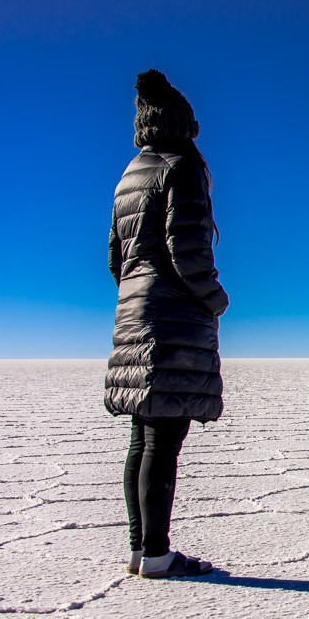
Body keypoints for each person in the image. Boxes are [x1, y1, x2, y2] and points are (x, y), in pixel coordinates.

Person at [105, 69, 229, 579]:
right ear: (181, 126)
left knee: (144, 433)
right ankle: (158, 555)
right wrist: (213, 299)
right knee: (163, 436)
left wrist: (137, 294)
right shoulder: (181, 169)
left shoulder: (129, 175)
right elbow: (188, 250)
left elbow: (116, 258)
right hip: (173, 316)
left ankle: (142, 549)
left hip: (134, 311)